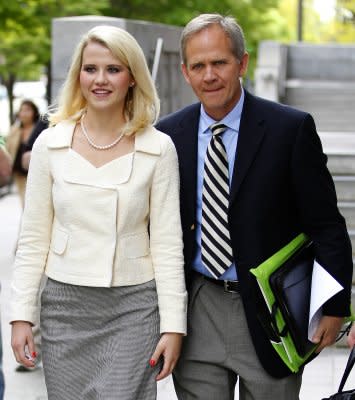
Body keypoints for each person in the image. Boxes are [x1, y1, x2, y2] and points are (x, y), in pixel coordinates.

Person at [156, 13, 353, 400]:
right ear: (185, 72)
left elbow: (326, 224)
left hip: (271, 313)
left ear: (242, 63)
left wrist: (334, 305)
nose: (209, 75)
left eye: (220, 63)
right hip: (198, 308)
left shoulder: (289, 129)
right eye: (198, 66)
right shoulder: (167, 136)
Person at [10, 25, 187, 399]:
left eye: (113, 69)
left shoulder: (159, 148)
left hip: (134, 307)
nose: (100, 80)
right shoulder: (50, 144)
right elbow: (33, 239)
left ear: (133, 77)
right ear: (78, 75)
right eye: (91, 69)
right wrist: (21, 315)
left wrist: (174, 326)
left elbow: (169, 245)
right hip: (65, 308)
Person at [5, 100, 39, 206]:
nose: (24, 113)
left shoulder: (39, 129)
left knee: (35, 201)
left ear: (34, 112)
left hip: (36, 173)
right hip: (19, 173)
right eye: (22, 110)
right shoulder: (14, 130)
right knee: (24, 202)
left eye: (28, 110)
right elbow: (8, 149)